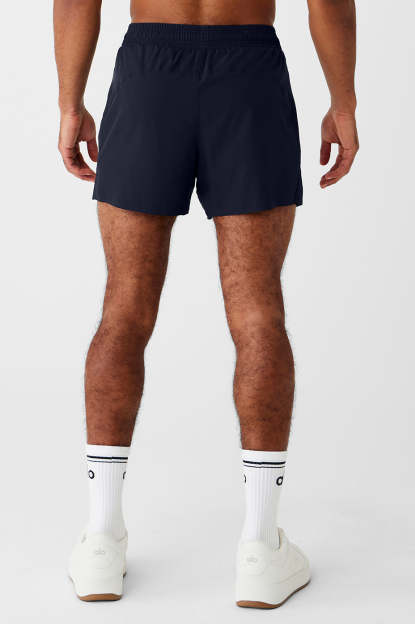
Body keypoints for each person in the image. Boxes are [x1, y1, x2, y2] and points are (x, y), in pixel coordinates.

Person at [54, 0, 358, 607]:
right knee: (259, 314)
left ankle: (101, 542)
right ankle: (259, 548)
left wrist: (70, 103)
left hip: (148, 73)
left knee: (123, 310)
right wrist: (343, 103)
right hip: (248, 72)